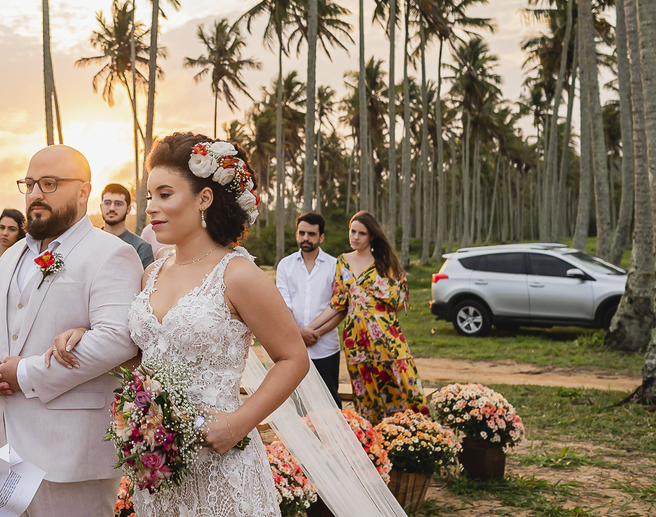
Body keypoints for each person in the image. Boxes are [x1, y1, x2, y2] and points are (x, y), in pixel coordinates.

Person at [48, 133, 309, 517]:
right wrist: (88, 337)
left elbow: (293, 358)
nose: (151, 208)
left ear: (204, 199)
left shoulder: (238, 274)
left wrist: (238, 423)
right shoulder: (150, 274)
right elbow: (143, 363)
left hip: (223, 466)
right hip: (159, 470)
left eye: (165, 194)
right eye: (150, 196)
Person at [0, 145, 143, 517]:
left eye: (49, 184)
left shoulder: (110, 253)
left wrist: (26, 373)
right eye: (29, 184)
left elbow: (117, 337)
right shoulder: (11, 255)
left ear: (83, 192)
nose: (35, 194)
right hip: (3, 449)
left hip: (70, 456)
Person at [308, 211, 427, 424]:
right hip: (356, 337)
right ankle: (375, 438)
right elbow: (337, 303)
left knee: (399, 381)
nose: (355, 237)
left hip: (386, 334)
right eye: (352, 231)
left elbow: (399, 302)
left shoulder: (385, 262)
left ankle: (411, 431)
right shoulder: (342, 262)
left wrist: (377, 315)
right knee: (365, 386)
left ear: (371, 236)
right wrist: (308, 329)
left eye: (361, 233)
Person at [275, 213, 341, 407]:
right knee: (298, 405)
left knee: (330, 403)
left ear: (321, 237)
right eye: (302, 233)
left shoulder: (335, 265)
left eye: (311, 234)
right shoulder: (285, 265)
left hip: (326, 346)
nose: (305, 238)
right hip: (294, 349)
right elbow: (282, 306)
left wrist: (316, 332)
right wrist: (299, 333)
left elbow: (339, 308)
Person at [99, 184, 154, 268]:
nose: (112, 208)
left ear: (129, 209)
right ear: (101, 207)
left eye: (118, 203)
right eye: (107, 203)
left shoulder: (141, 248)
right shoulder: (88, 243)